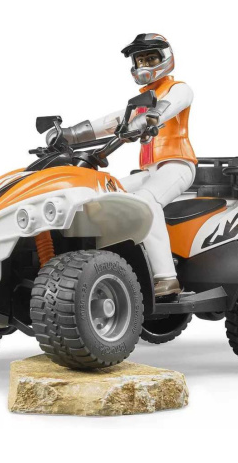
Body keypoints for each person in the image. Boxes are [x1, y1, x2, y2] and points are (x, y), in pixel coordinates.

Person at [47, 34, 197, 296]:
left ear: (165, 58)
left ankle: (167, 278)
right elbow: (109, 122)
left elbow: (169, 106)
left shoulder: (178, 89)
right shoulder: (140, 103)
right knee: (101, 194)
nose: (145, 65)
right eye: (141, 60)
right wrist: (68, 134)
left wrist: (149, 118)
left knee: (146, 202)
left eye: (151, 58)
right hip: (149, 172)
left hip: (177, 166)